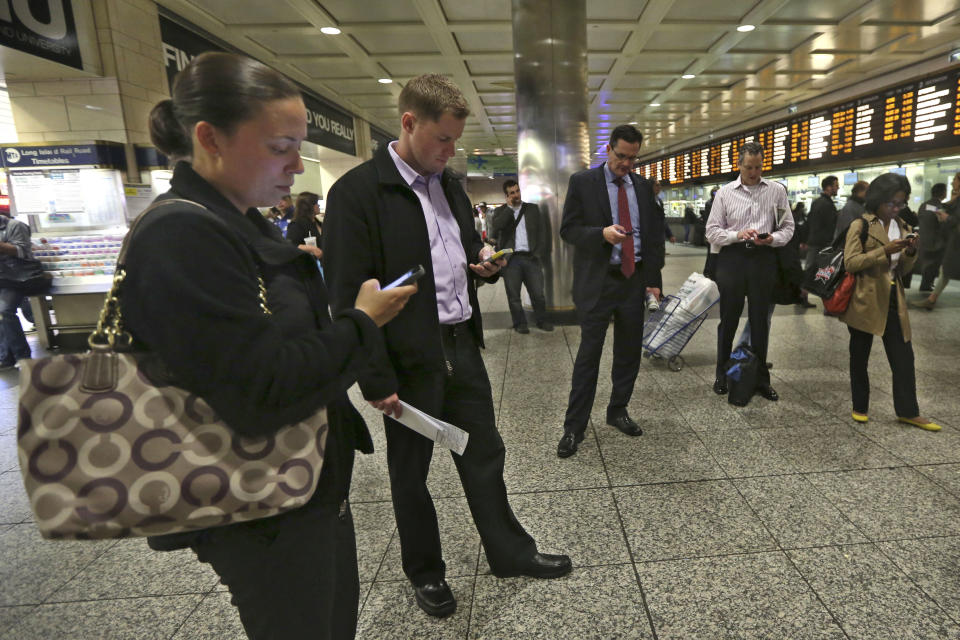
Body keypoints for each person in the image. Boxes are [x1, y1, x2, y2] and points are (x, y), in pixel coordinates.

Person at [130, 52, 415, 640]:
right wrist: (365, 322)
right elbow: (260, 388)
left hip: (302, 482)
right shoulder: (182, 234)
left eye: (300, 146)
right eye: (280, 146)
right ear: (209, 138)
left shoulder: (241, 222)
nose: (296, 165)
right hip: (254, 502)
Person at [322, 73, 571, 620]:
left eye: (456, 142)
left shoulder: (449, 186)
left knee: (484, 452)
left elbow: (454, 255)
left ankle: (510, 552)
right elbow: (348, 299)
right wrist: (376, 379)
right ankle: (426, 573)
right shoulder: (359, 194)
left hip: (460, 344)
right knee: (410, 473)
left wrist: (479, 266)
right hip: (406, 358)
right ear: (409, 123)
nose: (450, 151)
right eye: (442, 140)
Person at [556, 124, 665, 458]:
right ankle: (574, 427)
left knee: (629, 352)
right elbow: (569, 230)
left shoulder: (644, 187)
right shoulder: (583, 183)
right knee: (589, 356)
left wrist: (654, 280)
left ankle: (618, 410)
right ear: (608, 149)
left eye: (632, 158)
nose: (626, 164)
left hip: (633, 281)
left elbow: (653, 235)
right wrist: (600, 234)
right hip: (599, 282)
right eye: (621, 156)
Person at [840, 173, 940, 431]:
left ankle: (908, 411)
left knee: (903, 357)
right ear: (878, 200)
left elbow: (904, 270)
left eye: (901, 203)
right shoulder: (861, 225)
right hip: (865, 298)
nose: (896, 208)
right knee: (859, 355)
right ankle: (859, 406)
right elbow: (851, 262)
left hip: (894, 298)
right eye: (891, 203)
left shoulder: (904, 226)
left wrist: (909, 252)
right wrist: (883, 251)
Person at [705, 141, 793, 402]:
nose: (753, 172)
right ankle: (722, 373)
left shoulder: (776, 191)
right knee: (729, 319)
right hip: (733, 258)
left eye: (757, 167)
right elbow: (712, 230)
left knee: (759, 322)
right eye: (748, 167)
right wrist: (736, 234)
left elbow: (788, 227)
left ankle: (760, 378)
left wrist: (772, 239)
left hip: (763, 259)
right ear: (739, 164)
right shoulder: (725, 193)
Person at [488, 179, 553, 333]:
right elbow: (496, 228)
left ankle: (542, 321)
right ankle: (520, 324)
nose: (516, 195)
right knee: (514, 297)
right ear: (507, 196)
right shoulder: (501, 211)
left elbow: (542, 233)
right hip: (511, 260)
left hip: (531, 258)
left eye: (517, 191)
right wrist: (509, 209)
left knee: (538, 294)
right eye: (512, 193)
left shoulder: (532, 209)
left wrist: (537, 253)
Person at [912, 172, 960, 310]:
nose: (952, 183)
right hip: (948, 242)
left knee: (945, 270)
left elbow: (955, 220)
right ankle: (931, 299)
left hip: (953, 241)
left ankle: (931, 299)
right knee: (944, 271)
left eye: (955, 180)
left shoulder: (925, 204)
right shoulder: (951, 201)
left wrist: (946, 217)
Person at [0, 207, 35, 367]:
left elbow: (22, 251)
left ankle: (23, 357)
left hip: (16, 278)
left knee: (5, 311)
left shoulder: (14, 226)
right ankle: (6, 356)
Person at [803, 175, 839, 288]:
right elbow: (829, 225)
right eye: (836, 186)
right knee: (819, 271)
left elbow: (809, 221)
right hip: (821, 243)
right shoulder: (826, 204)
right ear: (828, 187)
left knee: (811, 269)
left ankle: (803, 295)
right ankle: (806, 294)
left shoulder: (817, 202)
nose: (838, 188)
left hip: (815, 241)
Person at [916, 183, 948, 292]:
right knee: (933, 265)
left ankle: (925, 285)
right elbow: (943, 224)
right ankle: (926, 286)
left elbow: (919, 219)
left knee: (927, 264)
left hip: (923, 239)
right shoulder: (939, 207)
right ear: (943, 193)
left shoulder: (923, 205)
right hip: (935, 241)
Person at [287, 190, 324, 261]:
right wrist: (312, 248)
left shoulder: (317, 221)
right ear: (308, 206)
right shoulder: (296, 224)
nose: (318, 205)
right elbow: (291, 245)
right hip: (309, 265)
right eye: (316, 203)